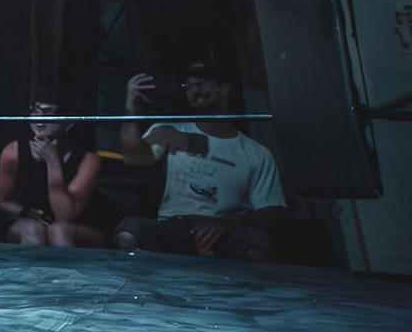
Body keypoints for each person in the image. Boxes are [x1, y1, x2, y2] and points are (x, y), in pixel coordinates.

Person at [114, 64, 285, 260]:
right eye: (188, 87)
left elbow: (270, 212)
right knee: (128, 232)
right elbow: (132, 156)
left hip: (225, 230)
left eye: (201, 83)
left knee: (257, 244)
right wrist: (131, 106)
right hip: (176, 227)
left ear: (224, 88)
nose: (194, 90)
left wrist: (226, 224)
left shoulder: (256, 153)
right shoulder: (171, 131)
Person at [0, 89, 104, 248]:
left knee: (59, 231)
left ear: (67, 121)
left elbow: (64, 216)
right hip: (27, 222)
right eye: (36, 111)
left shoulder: (87, 160)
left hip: (76, 227)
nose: (40, 120)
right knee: (32, 229)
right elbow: (4, 202)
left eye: (48, 112)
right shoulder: (13, 152)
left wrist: (52, 161)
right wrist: (26, 212)